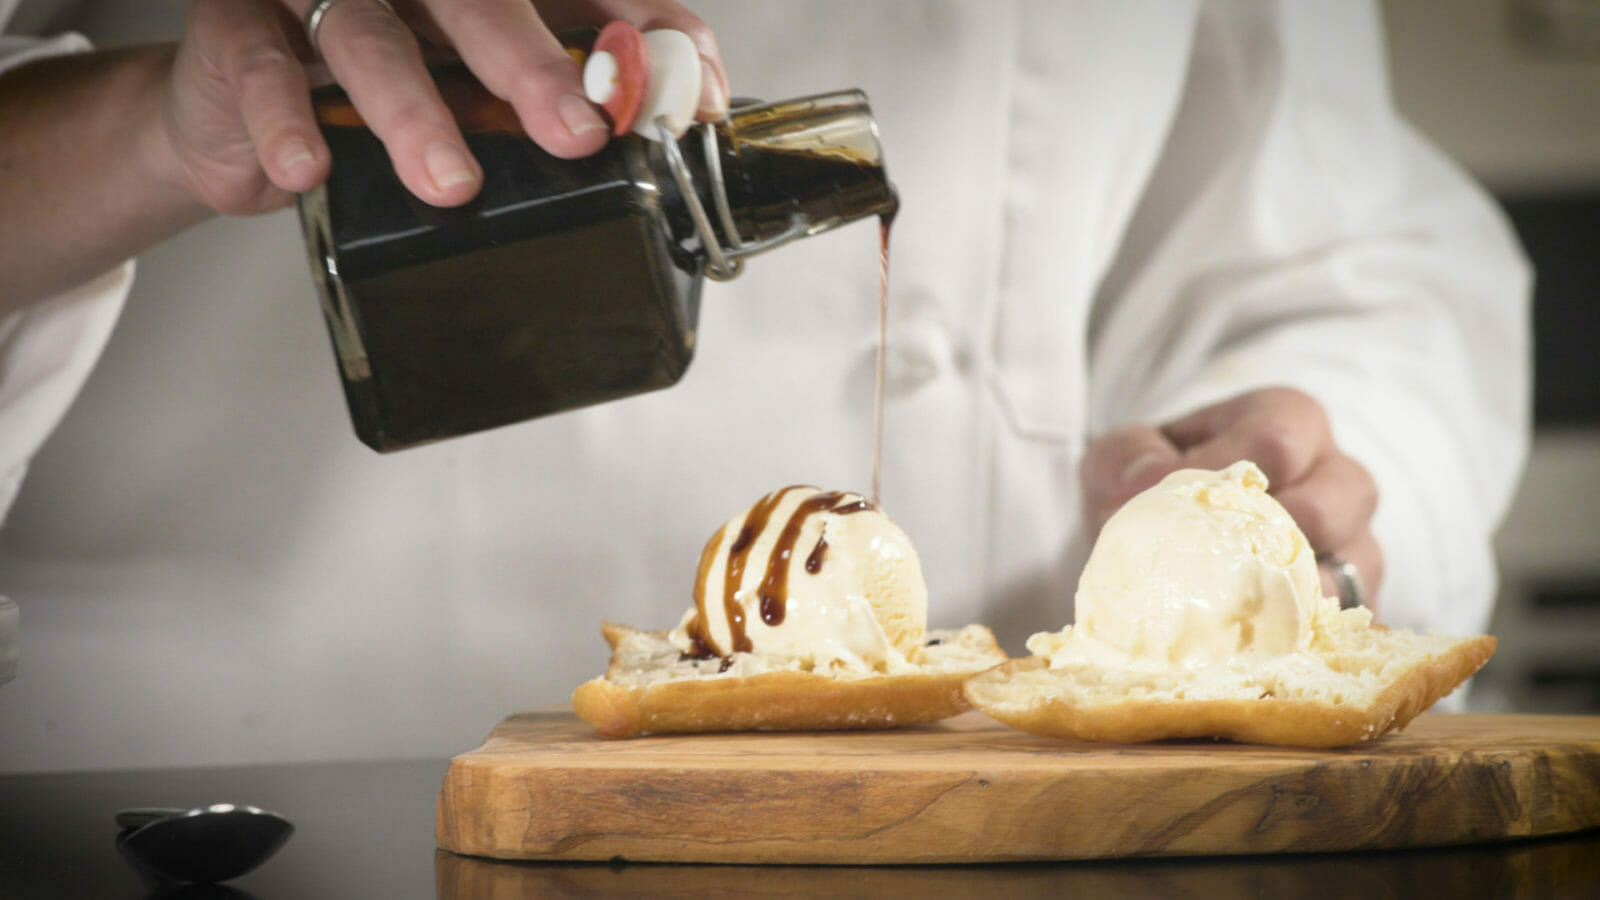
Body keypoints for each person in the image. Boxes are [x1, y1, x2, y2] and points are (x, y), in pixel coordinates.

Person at [0, 0, 1528, 770]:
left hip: (1001, 817)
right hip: (233, 769)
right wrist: (161, 123)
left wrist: (1313, 462)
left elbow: (1330, 239)